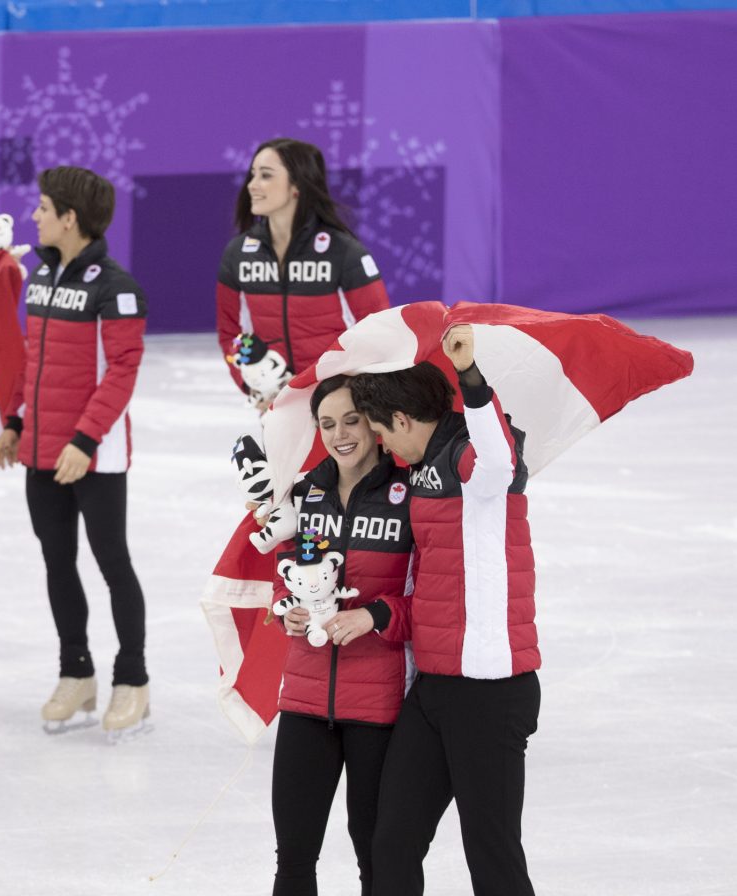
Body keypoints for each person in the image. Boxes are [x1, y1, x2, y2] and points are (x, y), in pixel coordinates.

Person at [349, 326, 540, 896]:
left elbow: (497, 464)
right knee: (392, 841)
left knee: (492, 854)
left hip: (489, 690)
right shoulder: (423, 467)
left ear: (403, 421)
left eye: (381, 431)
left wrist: (471, 378)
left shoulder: (472, 457)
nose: (381, 445)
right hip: (434, 688)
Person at [0, 166, 150, 740]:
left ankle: (132, 680)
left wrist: (85, 441)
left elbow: (122, 372)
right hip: (39, 450)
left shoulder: (116, 287)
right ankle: (75, 672)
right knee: (58, 564)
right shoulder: (41, 276)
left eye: (42, 208)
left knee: (113, 564)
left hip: (94, 456)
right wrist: (14, 421)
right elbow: (30, 360)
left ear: (70, 218)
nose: (34, 216)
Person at [269, 375, 414, 896]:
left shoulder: (411, 492)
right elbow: (288, 569)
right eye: (327, 424)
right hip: (305, 698)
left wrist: (375, 615)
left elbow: (439, 600)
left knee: (376, 855)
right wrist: (286, 608)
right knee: (294, 858)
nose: (339, 434)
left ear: (375, 423)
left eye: (351, 420)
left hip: (379, 707)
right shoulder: (304, 491)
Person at [216, 138, 389, 405]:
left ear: (296, 185)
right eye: (253, 175)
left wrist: (357, 393)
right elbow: (230, 335)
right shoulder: (238, 254)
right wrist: (251, 382)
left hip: (342, 404)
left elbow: (379, 333)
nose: (252, 185)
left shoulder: (344, 253)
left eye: (266, 175)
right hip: (277, 402)